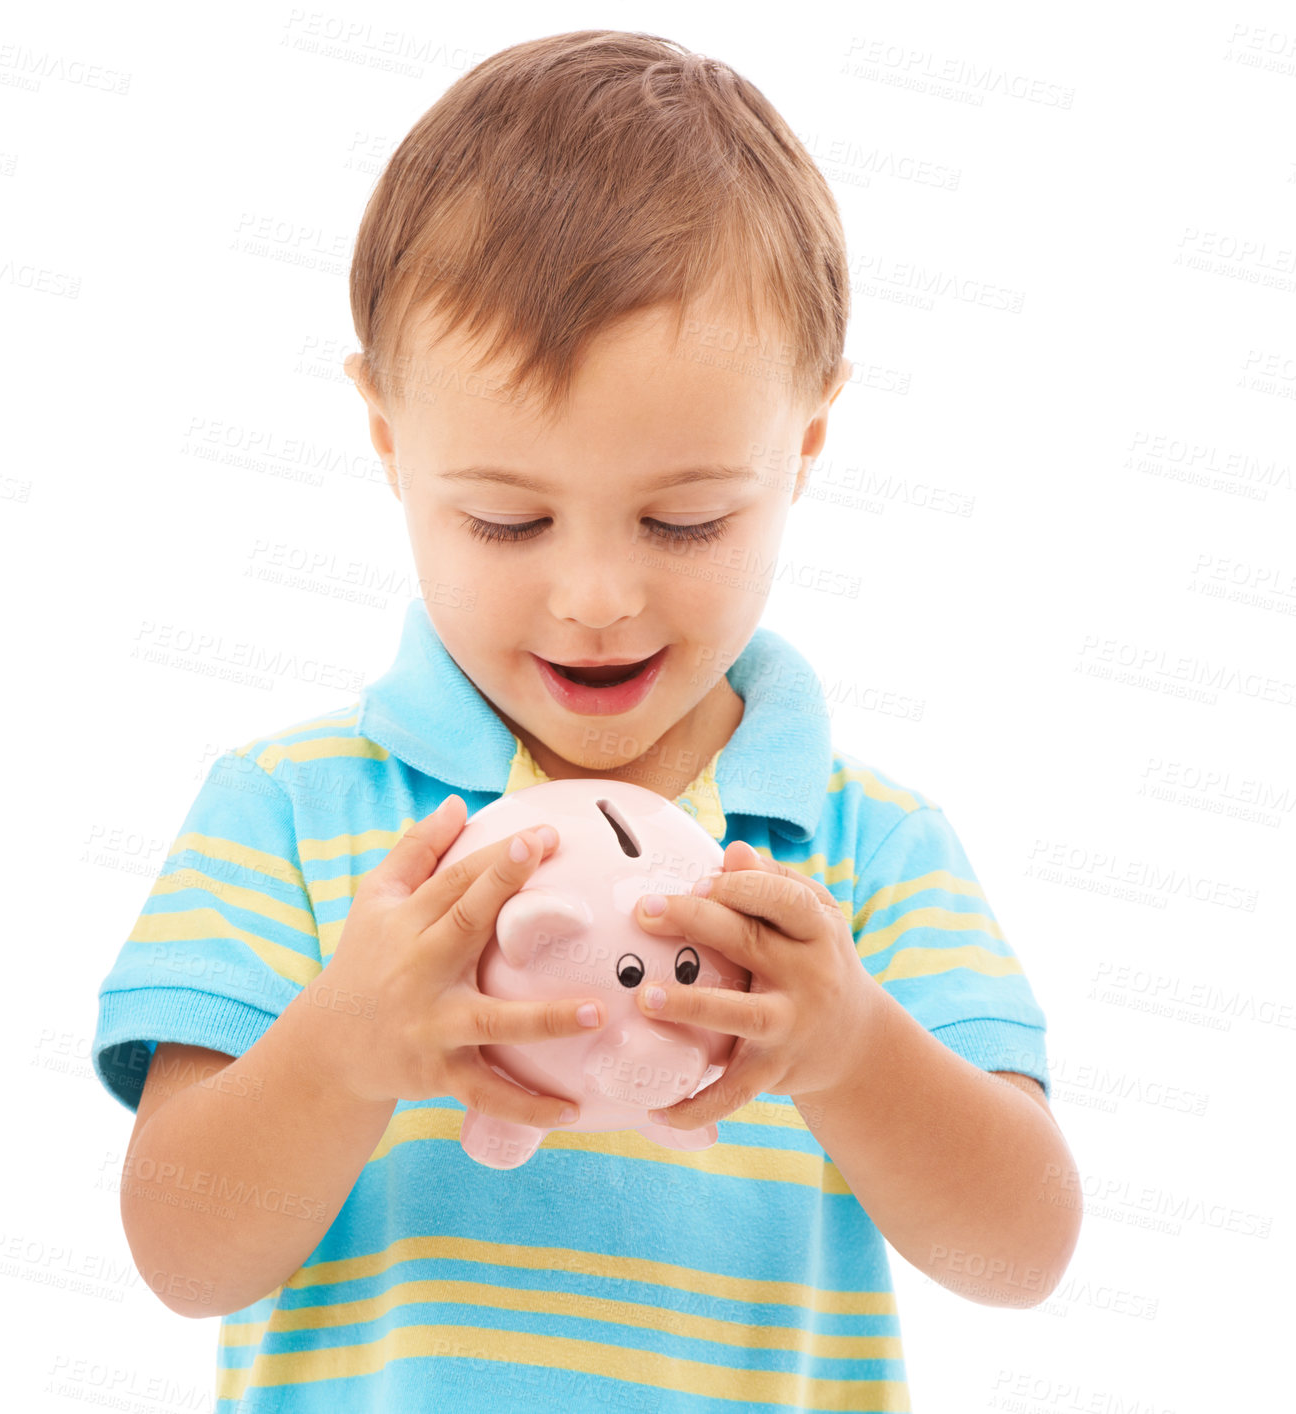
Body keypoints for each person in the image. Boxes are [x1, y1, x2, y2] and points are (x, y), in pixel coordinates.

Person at [92, 29, 1081, 1412]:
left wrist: (852, 1044)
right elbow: (182, 1248)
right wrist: (344, 1046)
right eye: (508, 517)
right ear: (388, 444)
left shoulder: (863, 848)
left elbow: (1018, 1250)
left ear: (802, 444)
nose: (598, 598)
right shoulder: (290, 808)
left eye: (684, 518)